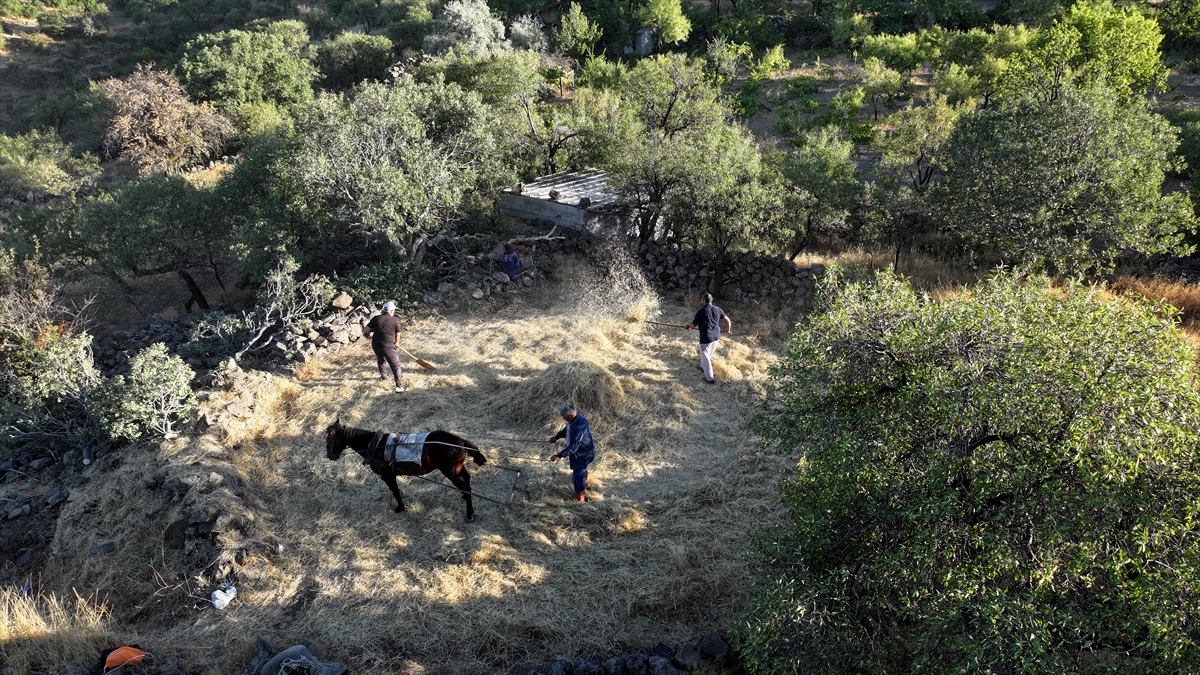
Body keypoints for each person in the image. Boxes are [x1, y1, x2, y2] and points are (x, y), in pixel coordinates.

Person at [547, 404, 595, 502]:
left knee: (578, 477)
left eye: (564, 417)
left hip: (582, 454)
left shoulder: (579, 427)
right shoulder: (575, 419)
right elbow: (567, 430)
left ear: (570, 416)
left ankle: (580, 500)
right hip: (584, 451)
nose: (563, 419)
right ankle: (586, 483)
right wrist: (557, 437)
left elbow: (573, 446)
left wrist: (559, 455)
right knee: (582, 471)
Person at [684, 293, 732, 384]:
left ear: (704, 301)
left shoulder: (701, 311)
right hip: (716, 337)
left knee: (706, 358)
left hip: (706, 337)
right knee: (707, 354)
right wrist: (727, 330)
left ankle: (710, 379)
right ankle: (702, 366)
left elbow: (693, 325)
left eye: (701, 300)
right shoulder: (718, 309)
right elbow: (728, 320)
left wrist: (688, 326)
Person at [363, 301, 404, 393]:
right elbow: (398, 333)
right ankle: (399, 386)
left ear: (384, 310)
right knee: (396, 365)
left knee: (381, 360)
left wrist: (376, 328)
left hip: (376, 345)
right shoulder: (394, 320)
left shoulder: (376, 318)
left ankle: (384, 378)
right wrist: (397, 343)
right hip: (388, 345)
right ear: (392, 310)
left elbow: (366, 330)